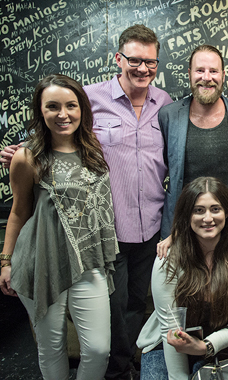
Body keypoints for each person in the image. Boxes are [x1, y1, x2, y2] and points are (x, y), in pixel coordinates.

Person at [0, 28, 173, 379]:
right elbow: (54, 127)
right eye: (134, 59)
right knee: (109, 312)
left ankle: (123, 367)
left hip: (150, 227)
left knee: (132, 308)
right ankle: (118, 372)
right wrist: (19, 150)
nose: (142, 67)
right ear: (118, 59)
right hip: (106, 233)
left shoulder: (165, 103)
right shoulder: (89, 98)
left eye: (150, 61)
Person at [0, 74, 118, 379]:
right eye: (52, 106)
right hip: (42, 261)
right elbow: (18, 212)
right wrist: (5, 261)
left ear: (82, 109)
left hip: (89, 262)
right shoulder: (27, 157)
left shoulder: (93, 149)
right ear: (40, 111)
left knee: (97, 350)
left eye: (71, 106)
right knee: (51, 348)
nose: (63, 114)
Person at [137, 177, 228, 379]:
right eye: (198, 210)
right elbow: (170, 328)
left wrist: (206, 347)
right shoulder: (167, 261)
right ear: (187, 215)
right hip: (167, 344)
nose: (207, 218)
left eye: (215, 209)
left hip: (220, 343)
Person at [159, 45, 228, 245]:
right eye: (200, 70)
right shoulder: (168, 116)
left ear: (223, 75)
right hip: (182, 226)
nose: (207, 77)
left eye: (213, 71)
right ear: (189, 74)